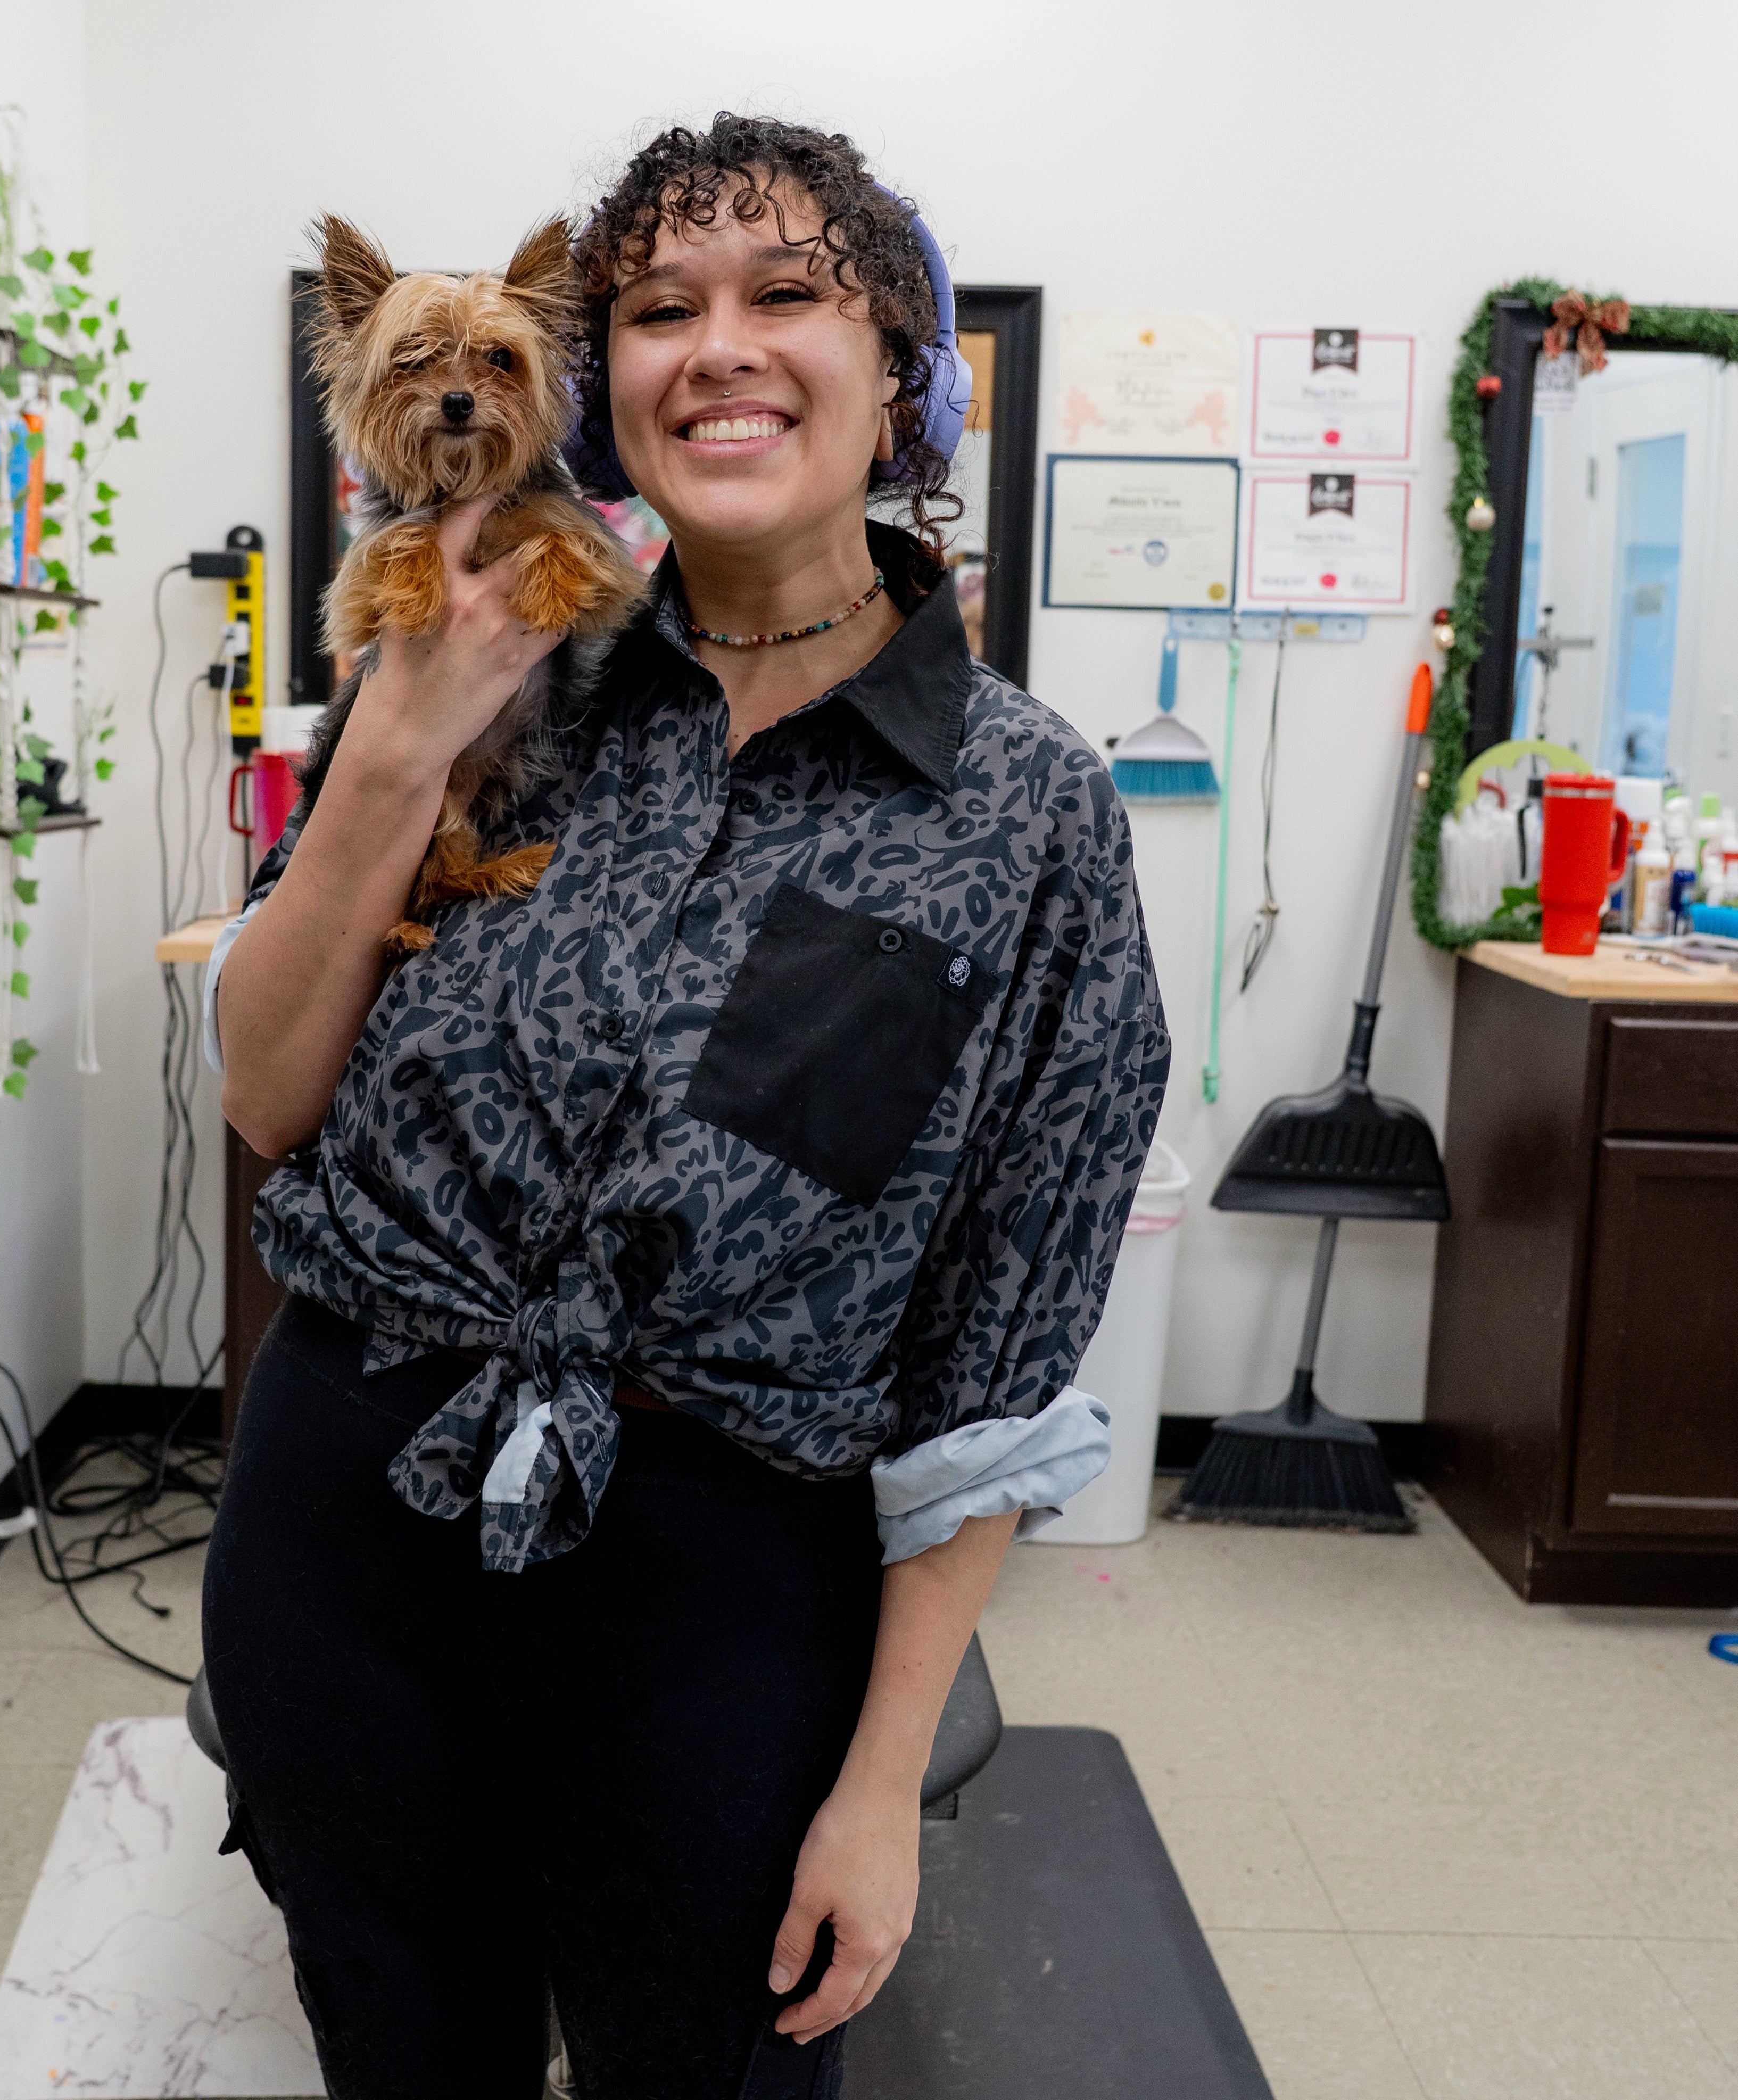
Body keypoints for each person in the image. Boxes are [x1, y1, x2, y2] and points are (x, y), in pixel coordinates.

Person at [201, 111, 1169, 2100]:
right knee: (398, 2056)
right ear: (604, 383)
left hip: (723, 1570)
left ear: (899, 373)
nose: (718, 344)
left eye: (786, 293)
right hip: (348, 1509)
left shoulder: (1021, 810)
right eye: (658, 308)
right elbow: (270, 1097)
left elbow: (1004, 1334)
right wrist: (389, 757)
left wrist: (882, 1777)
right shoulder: (493, 666)